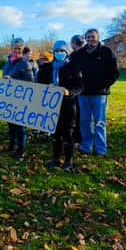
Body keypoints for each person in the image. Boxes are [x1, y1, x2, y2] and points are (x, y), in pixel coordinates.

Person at [38, 41, 83, 171]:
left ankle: (68, 161)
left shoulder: (74, 66)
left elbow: (80, 86)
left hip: (68, 105)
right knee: (56, 134)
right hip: (51, 106)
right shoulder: (47, 67)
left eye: (62, 51)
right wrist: (48, 86)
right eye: (57, 51)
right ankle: (56, 158)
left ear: (67, 52)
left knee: (68, 134)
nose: (59, 53)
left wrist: (69, 92)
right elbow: (40, 83)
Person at [73, 28, 119, 156]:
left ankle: (101, 149)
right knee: (84, 121)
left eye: (92, 37)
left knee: (99, 122)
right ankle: (86, 146)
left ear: (98, 37)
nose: (90, 39)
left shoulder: (106, 52)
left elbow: (114, 72)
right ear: (85, 39)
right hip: (83, 93)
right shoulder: (80, 53)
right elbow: (70, 65)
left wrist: (104, 85)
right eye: (88, 37)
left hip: (99, 94)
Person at [2, 38, 34, 159]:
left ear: (22, 49)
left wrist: (13, 81)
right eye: (15, 48)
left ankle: (20, 150)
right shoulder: (8, 62)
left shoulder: (25, 64)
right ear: (11, 48)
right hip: (8, 98)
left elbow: (30, 83)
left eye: (19, 48)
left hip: (21, 100)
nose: (17, 50)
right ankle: (12, 146)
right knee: (10, 124)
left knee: (20, 127)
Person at [69, 34, 85, 146]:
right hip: (78, 88)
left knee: (79, 116)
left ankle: (79, 139)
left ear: (74, 43)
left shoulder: (75, 55)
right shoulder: (74, 55)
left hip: (79, 88)